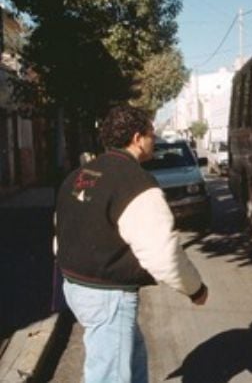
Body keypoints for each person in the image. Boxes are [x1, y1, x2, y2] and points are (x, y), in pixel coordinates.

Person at [55, 105, 209, 383]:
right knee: (109, 375)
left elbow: (63, 229)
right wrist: (194, 289)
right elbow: (163, 254)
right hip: (108, 295)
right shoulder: (135, 182)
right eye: (152, 134)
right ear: (138, 138)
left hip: (75, 286)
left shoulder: (81, 175)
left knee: (132, 358)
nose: (155, 140)